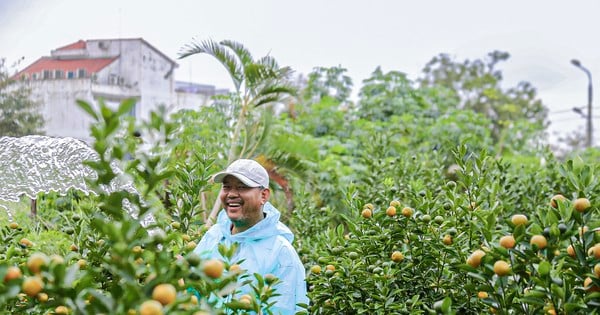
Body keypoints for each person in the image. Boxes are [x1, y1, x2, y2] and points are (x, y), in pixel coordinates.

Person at [193, 159, 308, 314]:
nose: (232, 194)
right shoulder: (214, 236)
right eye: (226, 187)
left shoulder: (281, 253)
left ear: (263, 195)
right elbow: (193, 291)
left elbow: (284, 309)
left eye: (242, 187)